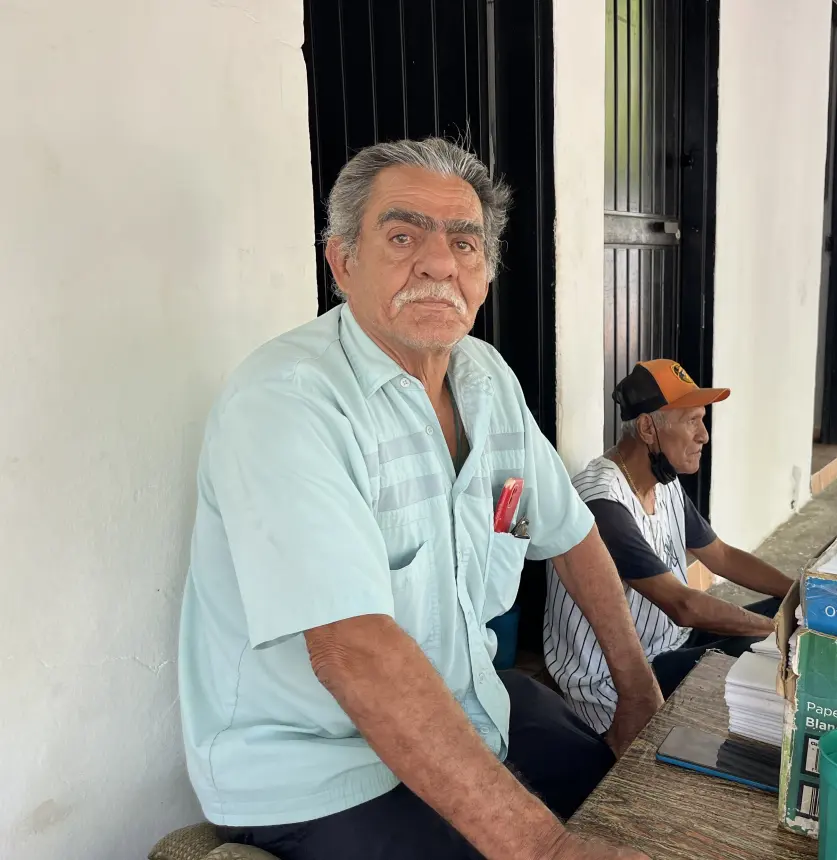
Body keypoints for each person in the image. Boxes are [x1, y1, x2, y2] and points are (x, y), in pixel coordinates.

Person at [178, 138, 662, 860]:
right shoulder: (287, 403)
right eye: (403, 236)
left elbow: (566, 533)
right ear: (343, 262)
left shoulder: (487, 379)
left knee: (629, 806)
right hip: (319, 766)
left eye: (464, 243)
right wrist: (543, 849)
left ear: (486, 274)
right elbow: (355, 651)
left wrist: (637, 692)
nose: (439, 263)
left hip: (472, 706)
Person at [544, 360, 795, 734]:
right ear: (648, 428)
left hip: (672, 644)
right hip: (620, 681)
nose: (704, 435)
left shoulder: (662, 480)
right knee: (772, 653)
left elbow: (721, 555)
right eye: (692, 420)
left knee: (790, 611)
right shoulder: (601, 503)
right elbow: (684, 605)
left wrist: (799, 593)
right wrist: (771, 632)